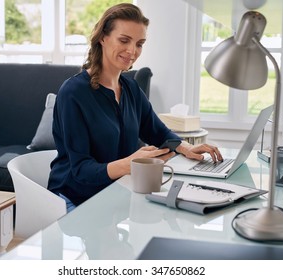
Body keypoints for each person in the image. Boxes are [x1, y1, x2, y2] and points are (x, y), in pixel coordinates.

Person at [48, 3, 222, 212]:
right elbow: (81, 171)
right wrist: (131, 163)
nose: (132, 51)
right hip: (73, 197)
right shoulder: (73, 92)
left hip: (115, 192)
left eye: (139, 44)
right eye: (124, 40)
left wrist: (187, 148)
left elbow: (157, 131)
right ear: (102, 37)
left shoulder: (130, 87)